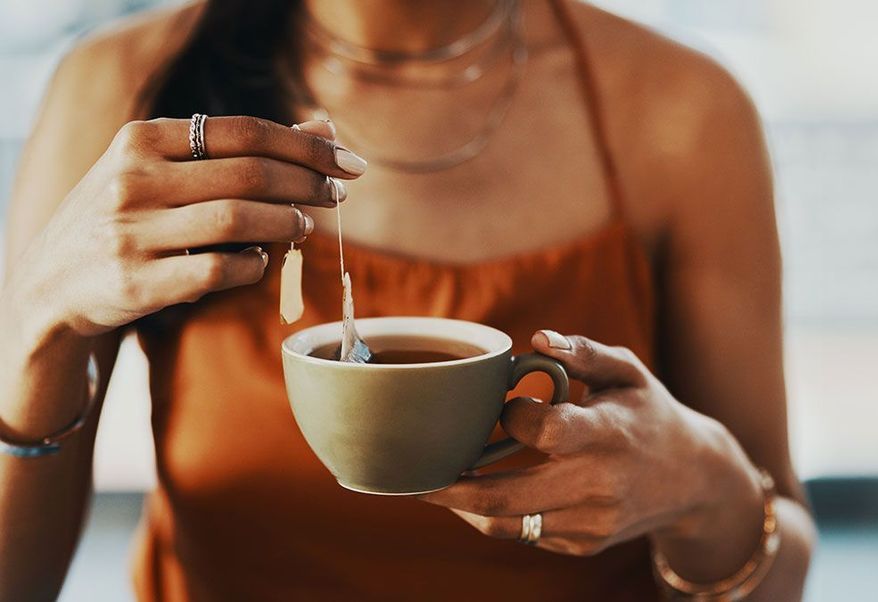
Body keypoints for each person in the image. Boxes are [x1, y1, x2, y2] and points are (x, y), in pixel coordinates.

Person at [0, 1, 815, 600]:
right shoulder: (124, 90)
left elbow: (783, 567)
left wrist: (707, 492)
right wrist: (37, 328)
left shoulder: (683, 110)